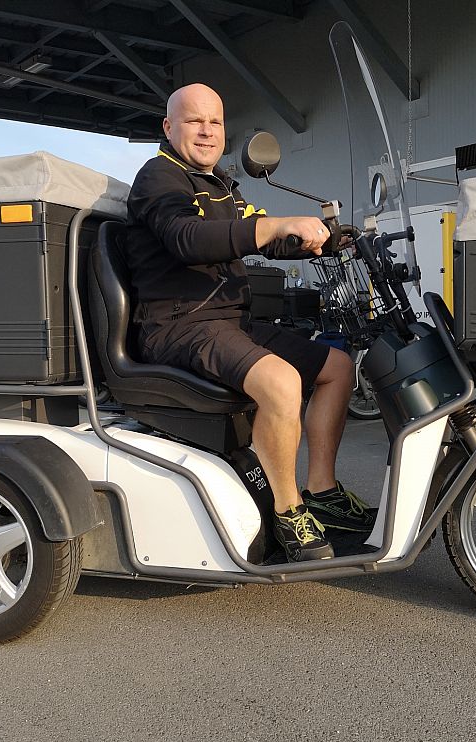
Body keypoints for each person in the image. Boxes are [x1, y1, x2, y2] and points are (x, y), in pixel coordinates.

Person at [124, 83, 374, 562]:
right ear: (169, 127)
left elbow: (262, 235)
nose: (206, 131)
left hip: (228, 322)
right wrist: (276, 225)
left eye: (214, 122)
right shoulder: (159, 177)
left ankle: (322, 491)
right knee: (282, 382)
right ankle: (287, 511)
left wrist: (323, 240)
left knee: (338, 367)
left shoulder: (223, 185)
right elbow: (187, 238)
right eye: (194, 121)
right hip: (179, 326)